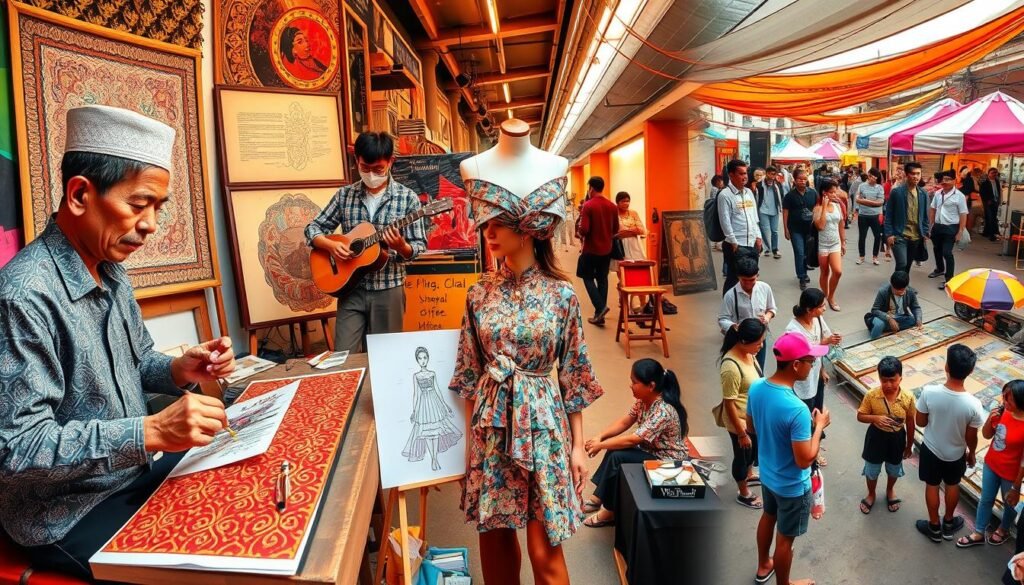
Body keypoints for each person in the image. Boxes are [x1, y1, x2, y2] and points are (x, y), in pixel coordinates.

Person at [0, 105, 237, 579]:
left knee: (235, 505)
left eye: (158, 208)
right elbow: (17, 449)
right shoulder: (24, 296)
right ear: (81, 194)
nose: (150, 223)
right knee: (210, 568)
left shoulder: (112, 272)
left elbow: (137, 360)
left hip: (132, 472)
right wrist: (150, 432)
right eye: (138, 204)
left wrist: (175, 370)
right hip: (66, 513)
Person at [452, 168, 602, 585]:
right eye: (487, 225)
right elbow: (469, 371)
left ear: (528, 230)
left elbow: (574, 373)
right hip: (491, 424)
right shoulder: (478, 293)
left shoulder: (562, 294)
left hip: (543, 425)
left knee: (545, 551)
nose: (489, 234)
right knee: (496, 545)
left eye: (498, 225)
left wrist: (577, 447)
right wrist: (468, 447)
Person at [306, 131, 427, 353]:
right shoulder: (344, 196)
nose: (371, 174)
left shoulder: (408, 198)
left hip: (388, 289)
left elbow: (419, 247)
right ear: (357, 161)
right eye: (365, 168)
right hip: (350, 289)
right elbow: (313, 228)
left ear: (391, 162)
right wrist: (330, 245)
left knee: (387, 358)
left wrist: (402, 246)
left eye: (378, 169)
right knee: (343, 356)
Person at [747, 332, 831, 585]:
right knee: (785, 539)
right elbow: (804, 460)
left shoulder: (758, 386)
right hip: (792, 486)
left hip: (768, 476)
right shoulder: (797, 409)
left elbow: (751, 428)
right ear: (796, 364)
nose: (812, 365)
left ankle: (763, 565)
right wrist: (818, 426)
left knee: (768, 517)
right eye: (810, 361)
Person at [582, 358, 687, 527]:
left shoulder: (663, 411)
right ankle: (598, 497)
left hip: (668, 463)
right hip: (651, 452)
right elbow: (626, 421)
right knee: (614, 449)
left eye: (634, 382)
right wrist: (601, 437)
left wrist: (601, 445)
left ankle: (609, 512)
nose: (630, 385)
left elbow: (634, 439)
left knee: (618, 455)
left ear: (651, 386)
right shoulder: (644, 400)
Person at [915, 343, 986, 543]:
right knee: (953, 484)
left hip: (931, 449)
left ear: (946, 366)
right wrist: (971, 453)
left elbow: (920, 421)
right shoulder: (974, 405)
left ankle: (934, 526)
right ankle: (948, 523)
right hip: (956, 454)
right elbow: (972, 437)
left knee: (932, 485)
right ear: (971, 371)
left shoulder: (929, 392)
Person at [958, 380, 1024, 548]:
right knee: (986, 499)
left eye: (1008, 399)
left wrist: (1016, 487)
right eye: (1004, 396)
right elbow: (987, 436)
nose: (1004, 401)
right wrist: (990, 420)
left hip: (1011, 473)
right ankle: (978, 532)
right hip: (991, 464)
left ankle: (1004, 529)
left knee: (1009, 503)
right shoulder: (1002, 412)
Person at [785, 288, 841, 468]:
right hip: (803, 383)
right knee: (806, 419)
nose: (824, 309)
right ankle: (808, 452)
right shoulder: (793, 330)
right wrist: (825, 342)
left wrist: (822, 369)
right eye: (821, 306)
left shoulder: (817, 319)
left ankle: (816, 447)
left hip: (815, 376)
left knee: (817, 413)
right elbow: (802, 353)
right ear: (809, 309)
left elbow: (824, 342)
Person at [856, 356, 916, 514]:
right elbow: (860, 416)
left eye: (892, 380)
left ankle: (890, 490)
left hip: (897, 439)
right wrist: (875, 418)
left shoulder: (908, 398)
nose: (888, 385)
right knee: (872, 469)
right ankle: (871, 493)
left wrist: (909, 445)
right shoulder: (871, 395)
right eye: (884, 381)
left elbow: (910, 422)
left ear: (900, 378)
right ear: (879, 378)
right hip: (875, 438)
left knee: (894, 468)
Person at [719, 318, 768, 510]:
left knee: (752, 452)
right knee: (742, 455)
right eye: (759, 342)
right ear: (745, 341)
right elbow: (728, 403)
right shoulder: (730, 366)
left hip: (752, 418)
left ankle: (749, 474)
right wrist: (741, 433)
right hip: (739, 421)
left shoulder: (749, 354)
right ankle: (743, 492)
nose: (761, 346)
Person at [402, 347, 462, 471]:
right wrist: (414, 411)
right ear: (417, 360)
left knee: (435, 433)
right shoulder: (416, 376)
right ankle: (433, 459)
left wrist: (445, 406)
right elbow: (416, 394)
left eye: (424, 358)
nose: (422, 361)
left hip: (434, 403)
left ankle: (434, 459)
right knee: (428, 434)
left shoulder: (432, 373)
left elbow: (438, 391)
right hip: (424, 405)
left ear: (428, 358)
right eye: (420, 358)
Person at [718, 256, 777, 370]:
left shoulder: (765, 288)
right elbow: (722, 319)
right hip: (742, 342)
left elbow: (772, 308)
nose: (748, 284)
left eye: (752, 280)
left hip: (760, 339)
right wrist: (734, 326)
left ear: (757, 276)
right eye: (744, 280)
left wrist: (768, 316)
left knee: (759, 370)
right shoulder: (730, 295)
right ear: (738, 277)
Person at [578, 176, 619, 325]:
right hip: (606, 250)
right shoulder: (612, 206)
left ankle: (600, 307)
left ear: (591, 188)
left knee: (586, 277)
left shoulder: (588, 205)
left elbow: (584, 229)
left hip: (591, 250)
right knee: (602, 279)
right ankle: (599, 315)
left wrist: (579, 232)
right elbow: (616, 229)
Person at [718, 159, 763, 296]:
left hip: (752, 243)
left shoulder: (749, 192)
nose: (745, 177)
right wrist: (734, 243)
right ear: (731, 175)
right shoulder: (725, 195)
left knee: (751, 279)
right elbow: (725, 221)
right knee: (733, 279)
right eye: (741, 174)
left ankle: (747, 308)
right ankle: (728, 309)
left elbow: (754, 217)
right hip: (736, 245)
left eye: (746, 173)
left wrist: (759, 237)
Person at [884, 162, 929, 280]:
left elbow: (925, 215)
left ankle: (904, 286)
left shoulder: (923, 193)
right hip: (899, 235)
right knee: (902, 263)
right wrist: (889, 234)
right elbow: (888, 214)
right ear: (906, 174)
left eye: (918, 173)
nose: (916, 176)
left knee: (908, 264)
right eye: (913, 173)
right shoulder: (897, 192)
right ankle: (896, 287)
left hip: (916, 236)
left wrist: (925, 231)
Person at [927, 169, 968, 289]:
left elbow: (963, 214)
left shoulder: (959, 196)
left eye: (948, 179)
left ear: (954, 181)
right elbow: (933, 209)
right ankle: (939, 269)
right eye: (943, 179)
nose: (944, 182)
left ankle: (949, 279)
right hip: (937, 227)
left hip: (951, 228)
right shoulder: (938, 193)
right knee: (936, 249)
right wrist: (931, 225)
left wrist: (960, 231)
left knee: (947, 252)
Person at [813, 179, 845, 312]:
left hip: (835, 243)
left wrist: (843, 241)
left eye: (835, 191)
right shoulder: (817, 208)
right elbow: (820, 226)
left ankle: (831, 297)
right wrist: (825, 206)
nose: (834, 194)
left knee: (837, 271)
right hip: (823, 245)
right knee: (825, 272)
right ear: (824, 193)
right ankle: (824, 296)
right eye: (831, 192)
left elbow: (841, 224)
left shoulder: (837, 206)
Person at [782, 168, 818, 290]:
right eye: (800, 179)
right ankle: (802, 276)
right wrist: (786, 229)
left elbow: (817, 207)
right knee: (799, 252)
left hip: (809, 229)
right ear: (795, 180)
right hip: (795, 229)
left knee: (807, 253)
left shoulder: (813, 193)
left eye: (804, 179)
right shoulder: (789, 196)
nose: (802, 181)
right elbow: (785, 212)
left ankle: (804, 271)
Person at [612, 191, 647, 311]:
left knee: (640, 276)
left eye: (627, 201)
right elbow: (616, 233)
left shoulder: (633, 213)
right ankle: (625, 305)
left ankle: (643, 305)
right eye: (623, 201)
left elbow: (641, 229)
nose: (626, 203)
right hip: (620, 248)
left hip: (635, 246)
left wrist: (627, 231)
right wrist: (632, 230)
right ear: (617, 202)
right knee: (624, 278)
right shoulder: (613, 214)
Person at [867, 270, 923, 339]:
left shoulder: (910, 291)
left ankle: (892, 328)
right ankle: (876, 334)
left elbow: (915, 307)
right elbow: (875, 310)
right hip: (885, 318)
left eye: (902, 290)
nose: (900, 292)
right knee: (879, 325)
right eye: (896, 290)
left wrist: (918, 319)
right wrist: (889, 318)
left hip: (901, 317)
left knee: (913, 320)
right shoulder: (883, 291)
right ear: (891, 284)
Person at [855, 168, 885, 265]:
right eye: (871, 176)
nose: (872, 179)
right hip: (863, 215)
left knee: (877, 236)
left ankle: (875, 257)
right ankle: (861, 256)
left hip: (875, 216)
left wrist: (864, 201)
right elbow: (857, 199)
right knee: (862, 236)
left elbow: (880, 202)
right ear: (868, 175)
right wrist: (873, 203)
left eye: (875, 177)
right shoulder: (861, 186)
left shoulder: (879, 188)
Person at [756, 166, 784, 259]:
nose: (772, 176)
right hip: (763, 210)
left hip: (774, 210)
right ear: (766, 173)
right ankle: (767, 248)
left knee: (774, 231)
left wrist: (781, 208)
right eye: (771, 174)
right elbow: (756, 197)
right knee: (765, 230)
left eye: (774, 174)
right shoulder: (759, 185)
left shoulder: (777, 185)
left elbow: (782, 196)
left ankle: (775, 249)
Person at [981, 167, 1002, 241]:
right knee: (990, 218)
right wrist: (987, 200)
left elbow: (999, 192)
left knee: (993, 217)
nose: (994, 174)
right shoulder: (984, 182)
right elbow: (982, 193)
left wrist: (999, 200)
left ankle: (986, 232)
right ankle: (992, 234)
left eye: (995, 173)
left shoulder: (997, 182)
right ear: (988, 174)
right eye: (992, 173)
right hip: (988, 202)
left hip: (995, 202)